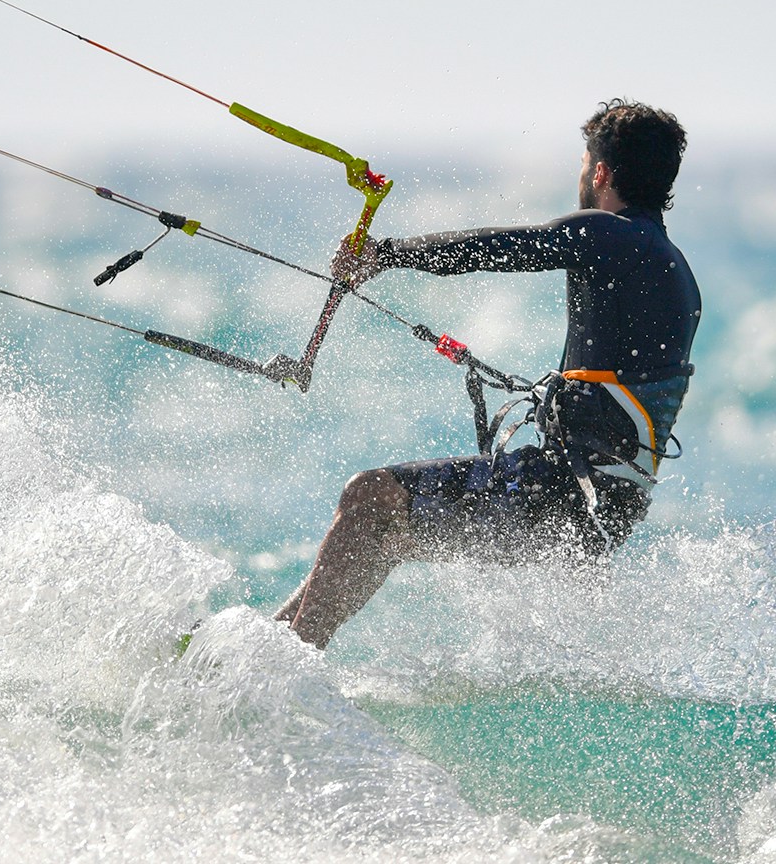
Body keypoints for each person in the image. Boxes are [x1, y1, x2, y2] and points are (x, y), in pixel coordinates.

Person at [276, 99, 701, 648]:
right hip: (602, 507)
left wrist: (383, 254)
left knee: (371, 498)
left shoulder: (611, 236)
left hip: (564, 493)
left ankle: (287, 660)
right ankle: (274, 639)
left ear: (600, 171)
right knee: (382, 519)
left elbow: (500, 247)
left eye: (584, 164)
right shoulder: (674, 269)